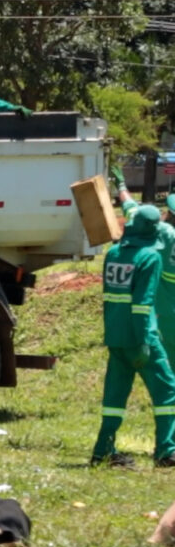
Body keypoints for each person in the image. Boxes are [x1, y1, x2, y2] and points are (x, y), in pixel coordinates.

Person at [91, 204, 175, 467]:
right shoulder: (150, 258)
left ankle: (102, 450)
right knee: (167, 391)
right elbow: (142, 303)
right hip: (141, 338)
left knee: (115, 396)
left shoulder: (113, 253)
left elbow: (108, 299)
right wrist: (143, 342)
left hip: (116, 336)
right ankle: (166, 451)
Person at [111, 164, 175, 349]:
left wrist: (121, 185)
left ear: (169, 214)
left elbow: (132, 210)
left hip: (164, 313)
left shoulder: (163, 233)